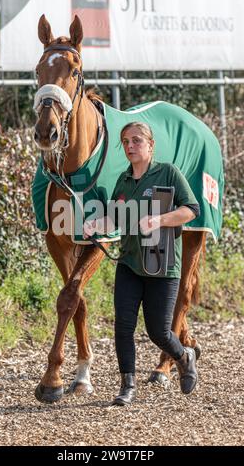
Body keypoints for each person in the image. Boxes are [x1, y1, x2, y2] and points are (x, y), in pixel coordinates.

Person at [83, 122, 200, 406]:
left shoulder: (168, 172)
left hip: (162, 266)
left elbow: (191, 210)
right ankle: (127, 386)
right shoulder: (123, 181)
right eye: (125, 141)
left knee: (158, 331)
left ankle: (185, 356)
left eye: (136, 140)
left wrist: (159, 220)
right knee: (123, 326)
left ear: (150, 144)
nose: (130, 146)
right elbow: (115, 219)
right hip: (130, 264)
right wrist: (96, 224)